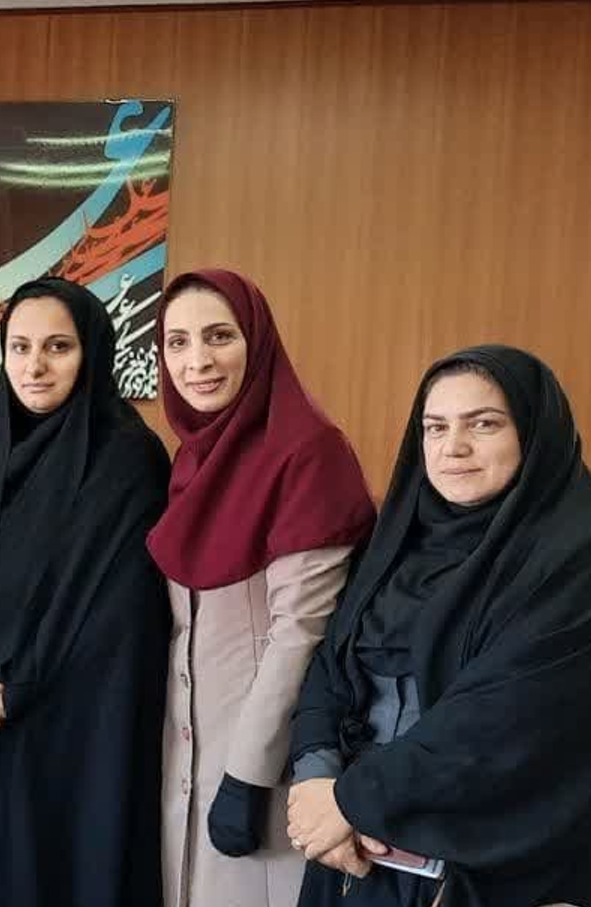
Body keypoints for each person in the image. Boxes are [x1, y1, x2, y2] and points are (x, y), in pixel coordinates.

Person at [285, 347, 591, 907]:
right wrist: (314, 776)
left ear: (533, 431)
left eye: (483, 424)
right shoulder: (400, 536)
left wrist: (348, 802)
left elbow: (502, 723)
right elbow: (331, 665)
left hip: (482, 869)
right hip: (354, 851)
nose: (453, 447)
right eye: (436, 427)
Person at [0, 278, 172, 907]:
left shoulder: (127, 461)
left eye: (58, 347)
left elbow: (121, 620)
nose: (34, 366)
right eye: (19, 347)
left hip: (67, 747)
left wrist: (18, 692)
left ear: (92, 353)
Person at [148, 269, 377, 907]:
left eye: (219, 336)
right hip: (188, 754)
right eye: (177, 342)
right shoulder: (192, 455)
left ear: (257, 339)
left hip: (265, 765)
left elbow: (300, 630)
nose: (197, 361)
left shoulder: (308, 451)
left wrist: (246, 774)